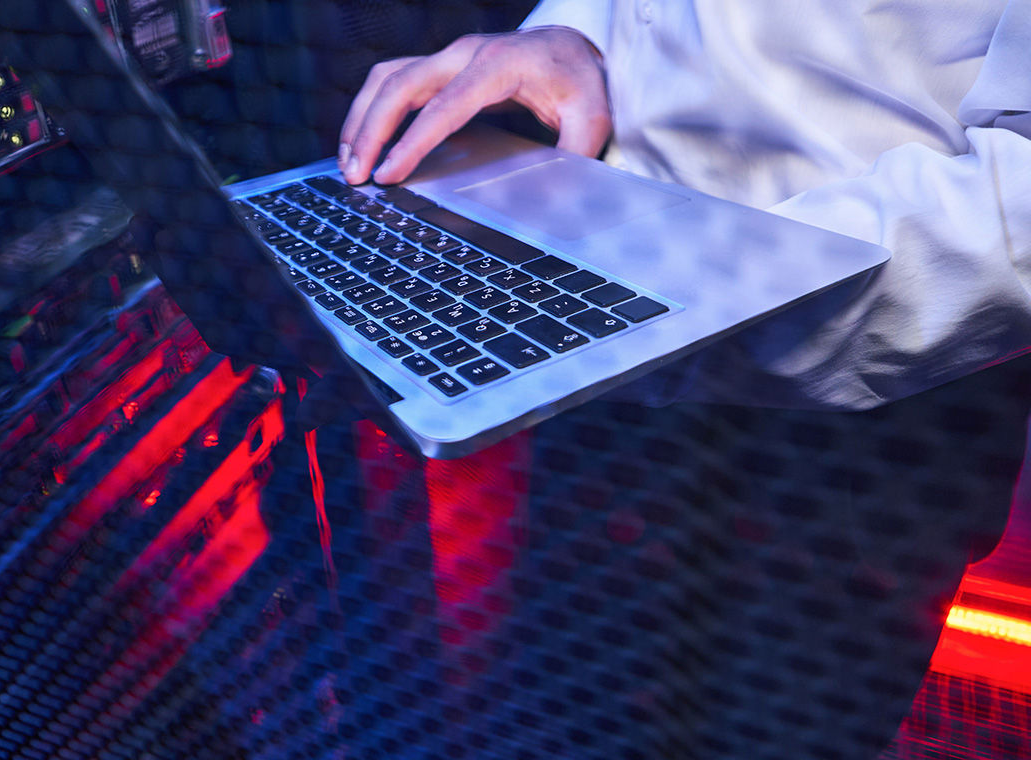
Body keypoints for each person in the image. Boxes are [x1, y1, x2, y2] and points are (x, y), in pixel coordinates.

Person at [314, 2, 1031, 759]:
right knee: (562, 716)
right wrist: (572, 35)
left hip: (856, 441)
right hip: (607, 361)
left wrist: (676, 293)